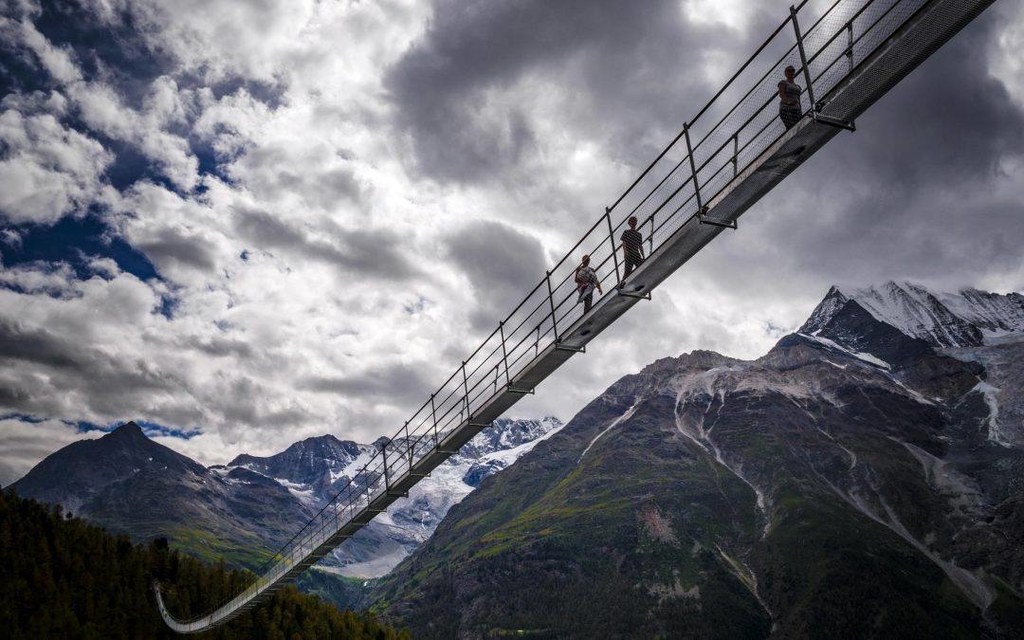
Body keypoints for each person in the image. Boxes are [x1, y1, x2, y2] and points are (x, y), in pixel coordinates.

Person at [618, 216, 645, 287]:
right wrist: (625, 252)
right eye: (632, 221)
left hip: (636, 253)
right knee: (627, 271)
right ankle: (622, 284)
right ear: (629, 223)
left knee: (640, 268)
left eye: (634, 221)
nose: (633, 222)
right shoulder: (626, 232)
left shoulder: (639, 234)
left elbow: (640, 246)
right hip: (629, 253)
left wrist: (643, 255)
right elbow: (624, 243)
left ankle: (638, 284)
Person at [778, 65, 803, 130]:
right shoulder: (783, 83)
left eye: (793, 70)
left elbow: (798, 98)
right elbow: (781, 94)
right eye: (789, 71)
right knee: (791, 127)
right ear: (785, 73)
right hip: (786, 109)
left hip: (796, 109)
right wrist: (788, 101)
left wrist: (800, 109)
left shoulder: (797, 86)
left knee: (798, 126)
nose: (791, 72)